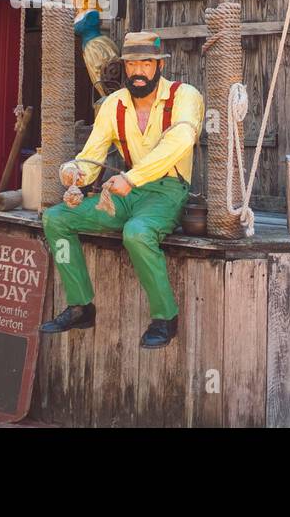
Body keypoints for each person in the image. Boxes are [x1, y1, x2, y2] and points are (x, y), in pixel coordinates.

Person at [41, 31, 204, 349]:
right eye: (132, 64)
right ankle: (80, 306)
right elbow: (92, 154)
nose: (138, 71)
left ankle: (165, 318)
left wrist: (133, 178)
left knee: (137, 233)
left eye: (146, 63)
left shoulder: (185, 96)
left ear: (159, 65)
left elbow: (181, 140)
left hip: (167, 190)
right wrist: (74, 174)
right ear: (125, 67)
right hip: (125, 192)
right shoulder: (113, 104)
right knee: (56, 218)